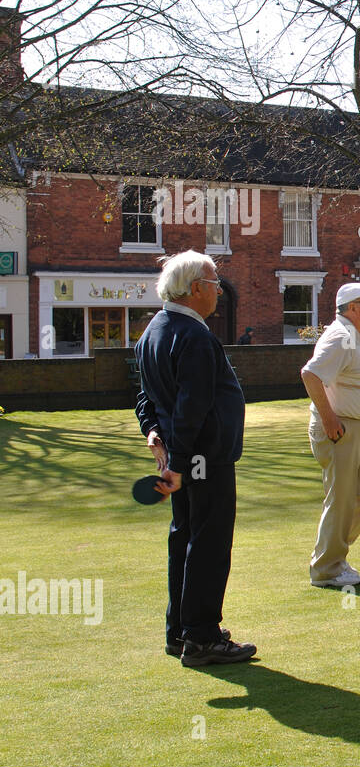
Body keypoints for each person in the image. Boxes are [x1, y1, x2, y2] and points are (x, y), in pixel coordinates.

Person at [134, 250, 255, 666]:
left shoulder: (153, 332)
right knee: (208, 542)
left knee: (184, 538)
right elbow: (192, 406)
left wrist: (153, 434)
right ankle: (201, 638)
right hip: (204, 459)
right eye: (215, 282)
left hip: (184, 458)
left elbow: (146, 399)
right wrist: (182, 464)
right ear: (195, 289)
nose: (219, 289)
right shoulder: (195, 336)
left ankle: (180, 632)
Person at [300, 282, 360, 588]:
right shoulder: (341, 336)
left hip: (353, 429)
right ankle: (327, 568)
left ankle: (334, 554)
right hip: (339, 430)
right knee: (341, 498)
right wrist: (329, 419)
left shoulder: (351, 336)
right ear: (352, 308)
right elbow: (311, 374)